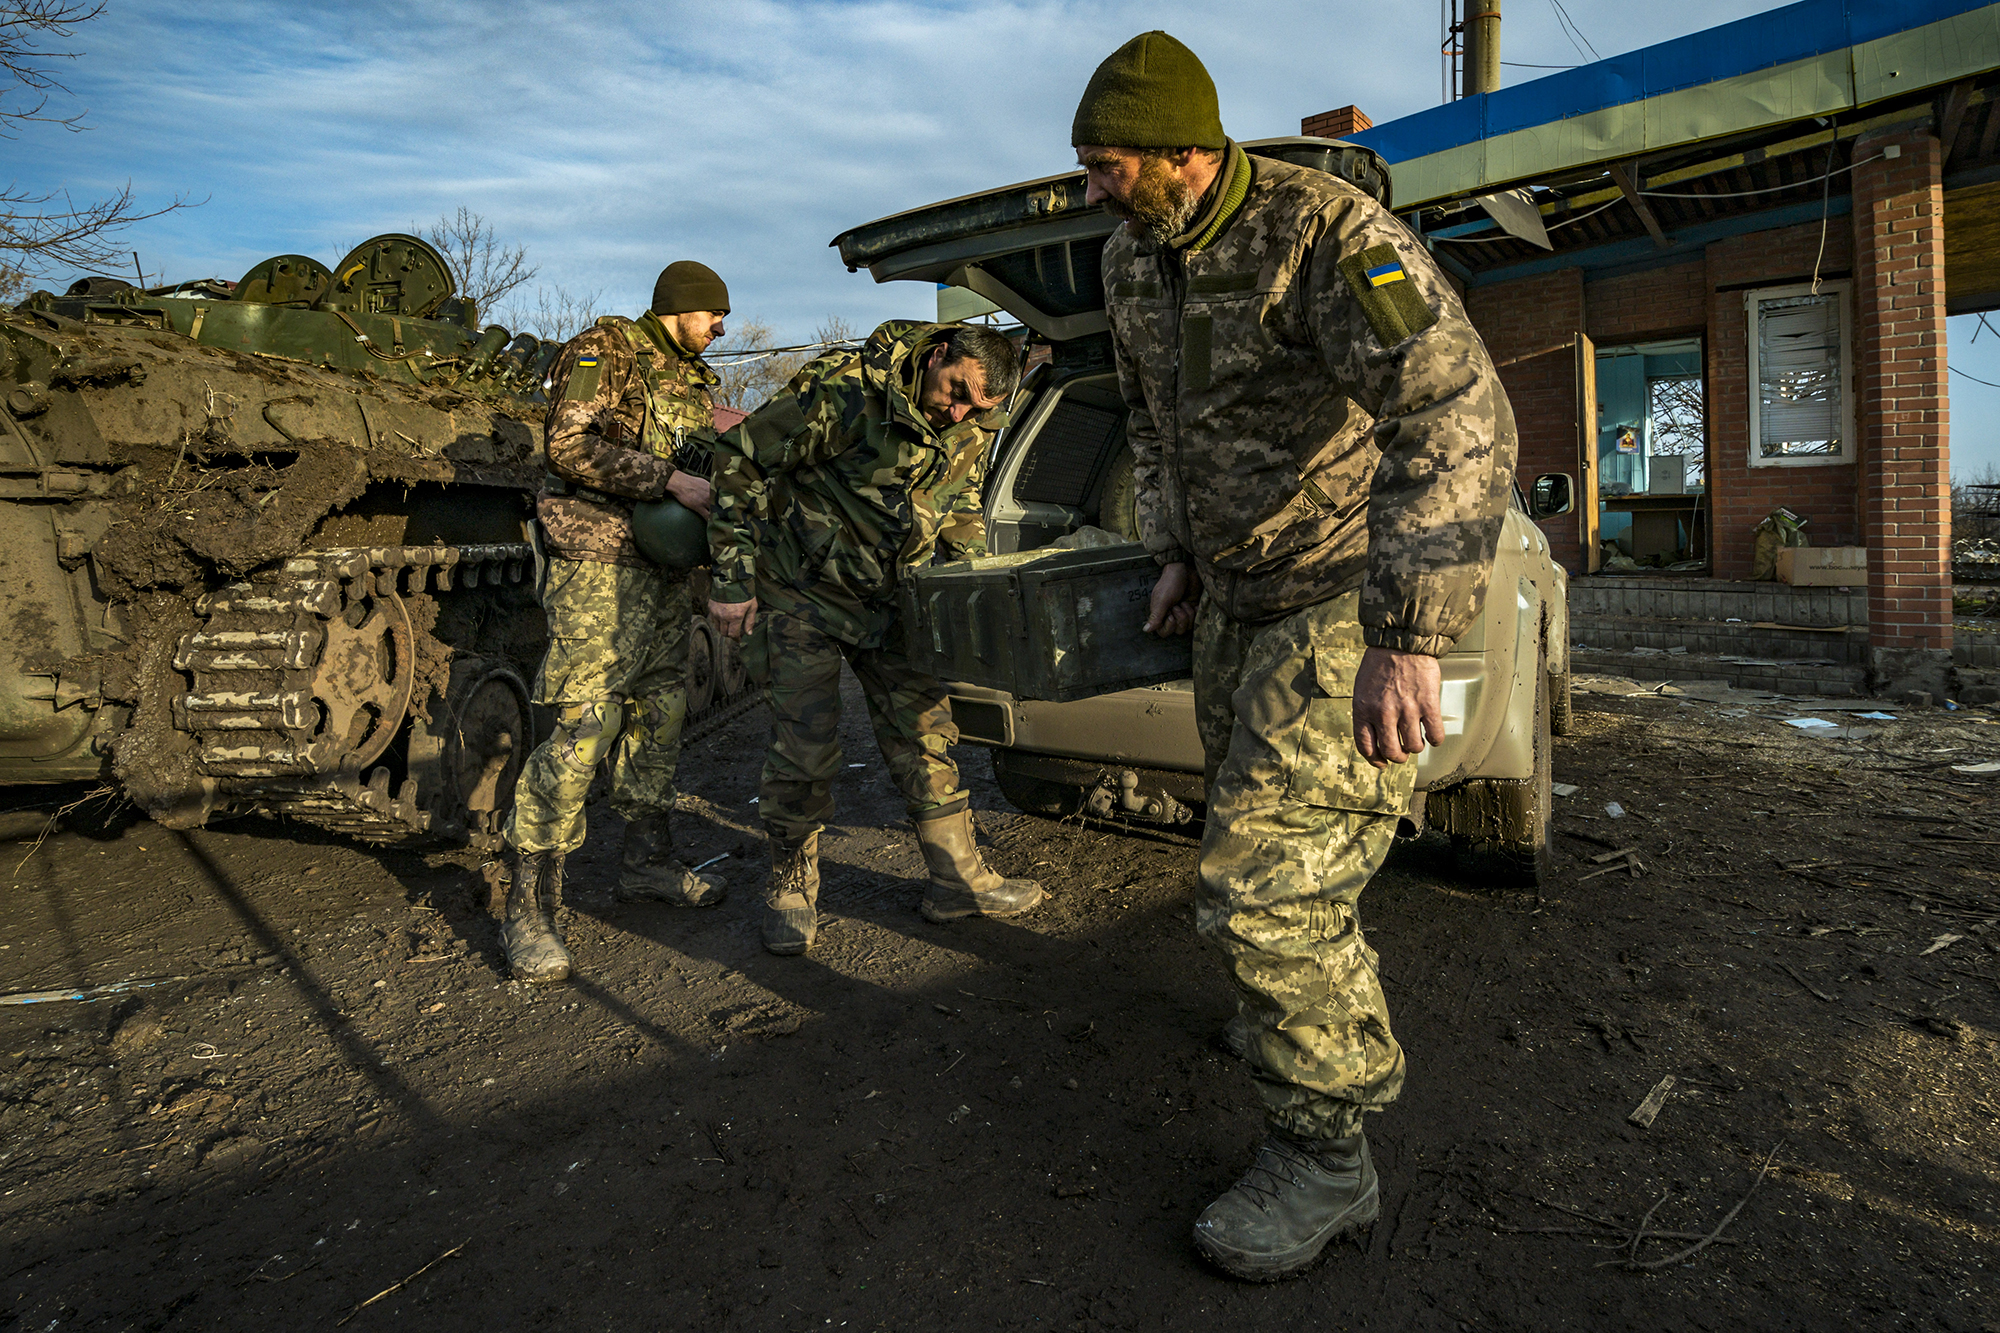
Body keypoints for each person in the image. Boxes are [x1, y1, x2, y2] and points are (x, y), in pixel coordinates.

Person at [1072, 32, 1518, 1280]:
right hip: (1233, 596)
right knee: (1272, 855)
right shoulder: (1126, 258)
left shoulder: (1320, 234)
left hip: (1340, 592)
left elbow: (1455, 411)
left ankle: (1325, 1160)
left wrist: (1408, 636)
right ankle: (1288, 1015)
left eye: (1108, 167)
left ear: (1183, 151)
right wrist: (1171, 547)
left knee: (1268, 886)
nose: (1094, 192)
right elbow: (1153, 422)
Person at [706, 320, 1043, 956]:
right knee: (805, 744)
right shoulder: (846, 391)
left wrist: (956, 584)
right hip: (803, 591)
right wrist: (730, 575)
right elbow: (740, 455)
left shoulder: (973, 420)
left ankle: (957, 880)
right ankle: (790, 883)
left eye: (980, 407)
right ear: (938, 354)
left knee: (926, 729)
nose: (961, 412)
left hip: (893, 600)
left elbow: (963, 500)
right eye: (957, 391)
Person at [499, 261, 734, 985]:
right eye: (714, 314)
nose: (721, 327)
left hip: (663, 570)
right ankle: (528, 903)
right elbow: (567, 447)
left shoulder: (692, 382)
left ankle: (647, 863)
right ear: (680, 307)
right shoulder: (605, 351)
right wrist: (669, 481)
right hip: (597, 562)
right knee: (585, 720)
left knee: (661, 711)